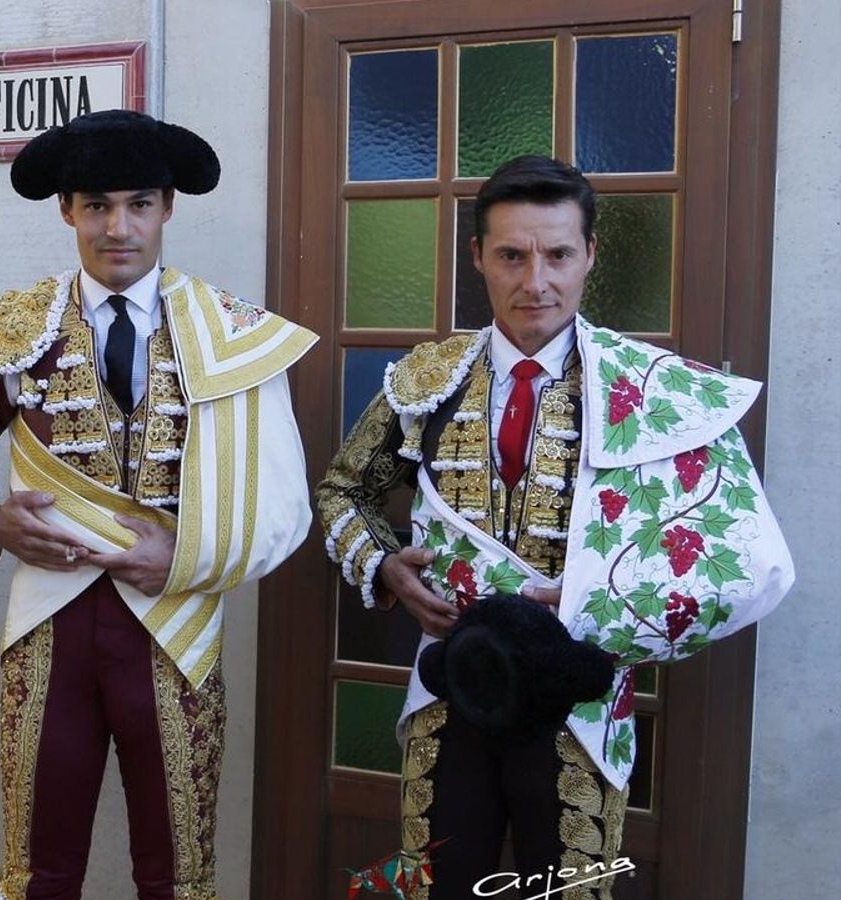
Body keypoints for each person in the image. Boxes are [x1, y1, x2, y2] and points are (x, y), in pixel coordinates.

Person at [318, 155, 793, 899]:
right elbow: (344, 492)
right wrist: (384, 568)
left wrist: (595, 597)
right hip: (451, 690)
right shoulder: (428, 381)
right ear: (478, 257)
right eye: (511, 255)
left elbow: (740, 558)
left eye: (557, 254)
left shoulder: (651, 391)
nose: (534, 281)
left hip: (582, 698)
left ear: (590, 255)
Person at [0, 109, 317, 900]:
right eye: (97, 205)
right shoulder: (16, 327)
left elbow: (284, 502)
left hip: (176, 625)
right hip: (47, 626)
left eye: (138, 203)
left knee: (178, 875)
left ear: (168, 207)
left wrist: (189, 558)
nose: (118, 227)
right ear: (67, 210)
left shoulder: (232, 332)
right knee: (39, 872)